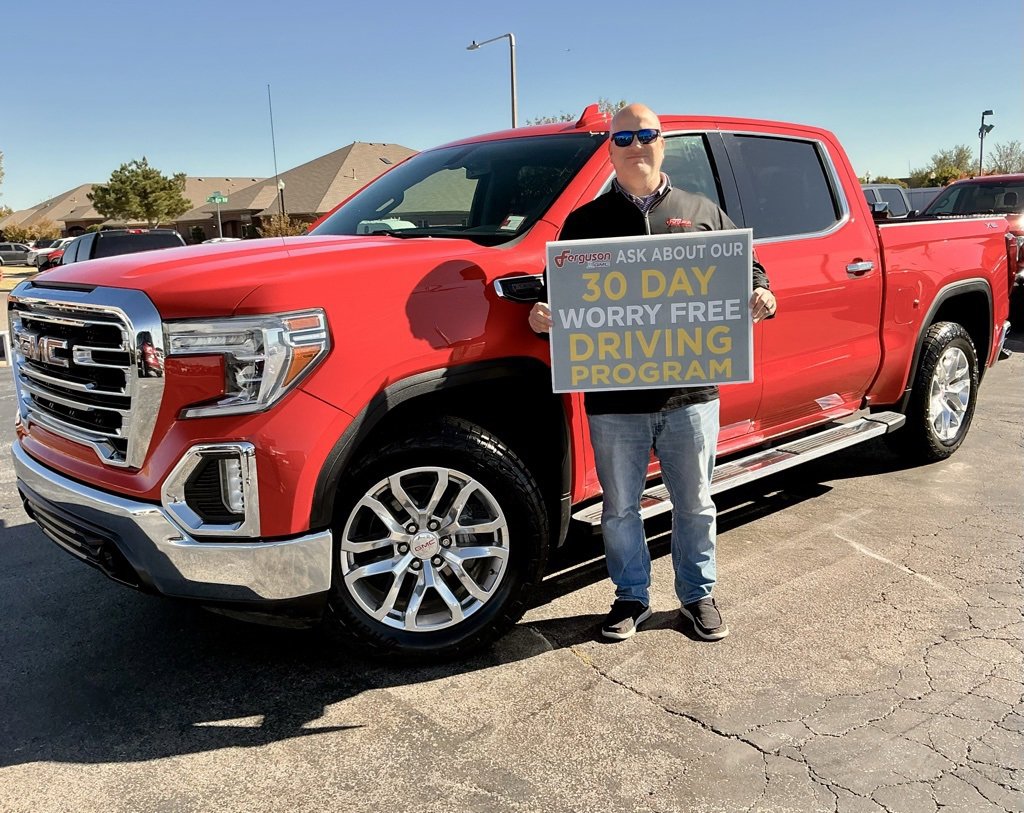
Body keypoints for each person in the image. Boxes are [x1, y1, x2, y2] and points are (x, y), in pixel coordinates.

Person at [529, 103, 776, 642]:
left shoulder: (700, 210)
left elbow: (747, 264)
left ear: (663, 144)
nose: (635, 144)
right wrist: (542, 314)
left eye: (647, 134)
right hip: (614, 402)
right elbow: (558, 294)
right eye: (624, 137)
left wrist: (760, 290)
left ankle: (697, 594)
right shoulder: (584, 223)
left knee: (695, 503)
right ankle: (631, 597)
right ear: (610, 148)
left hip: (690, 394)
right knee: (619, 510)